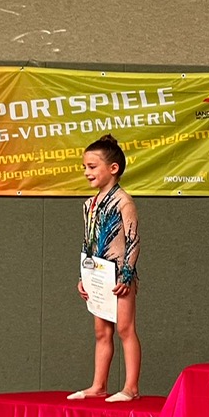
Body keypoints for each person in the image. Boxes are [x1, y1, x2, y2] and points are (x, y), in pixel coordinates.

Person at [68, 134, 141, 402]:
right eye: (84, 167)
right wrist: (83, 276)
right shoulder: (89, 205)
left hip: (119, 276)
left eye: (92, 166)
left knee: (125, 329)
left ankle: (131, 387)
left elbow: (133, 240)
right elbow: (86, 242)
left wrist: (126, 275)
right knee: (101, 332)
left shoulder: (124, 201)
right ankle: (98, 385)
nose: (87, 172)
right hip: (97, 275)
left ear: (113, 168)